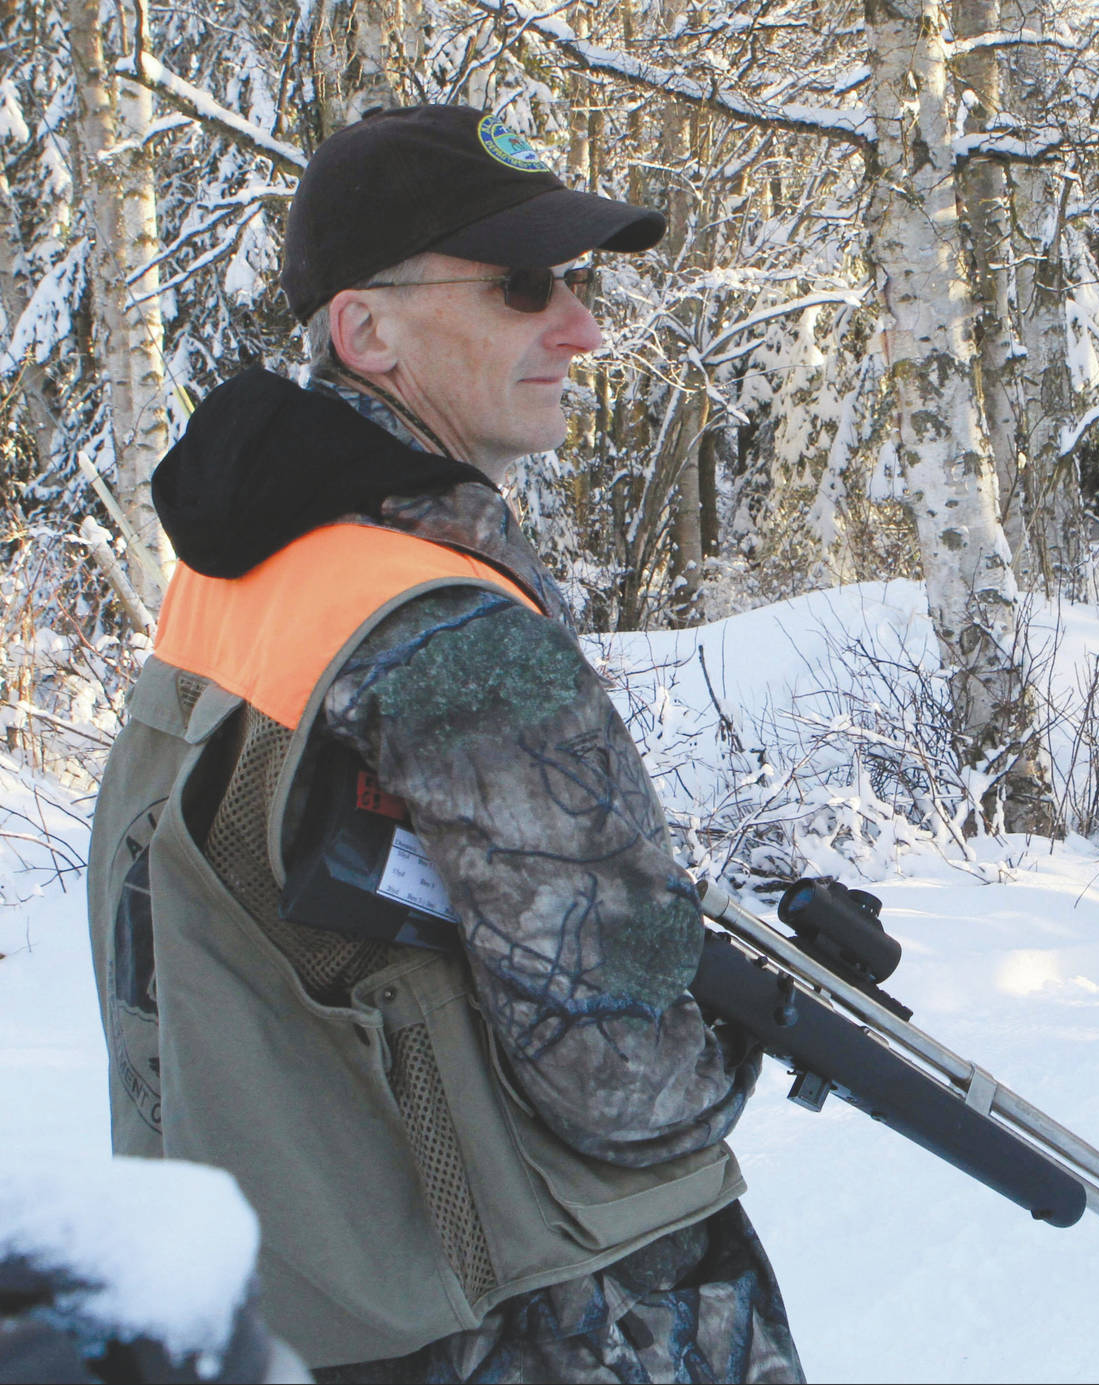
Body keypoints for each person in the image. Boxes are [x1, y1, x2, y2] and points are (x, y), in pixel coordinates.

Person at [84, 104, 802, 1384]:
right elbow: (632, 1088)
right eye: (524, 287)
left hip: (293, 1284)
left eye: (575, 283)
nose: (580, 325)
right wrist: (742, 1027)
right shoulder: (447, 628)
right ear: (366, 330)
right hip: (498, 1312)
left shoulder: (253, 561)